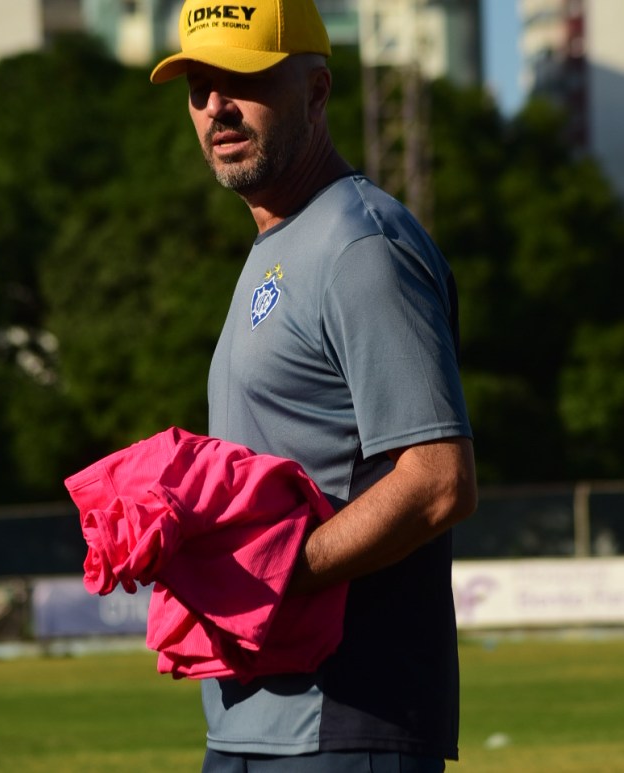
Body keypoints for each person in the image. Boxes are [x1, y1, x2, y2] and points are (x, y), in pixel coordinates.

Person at [150, 1, 477, 771]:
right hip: (249, 719)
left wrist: (266, 574)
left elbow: (437, 482)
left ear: (318, 91)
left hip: (344, 723)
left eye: (244, 80)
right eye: (199, 86)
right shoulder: (278, 241)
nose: (216, 107)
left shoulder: (360, 244)